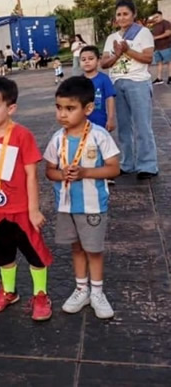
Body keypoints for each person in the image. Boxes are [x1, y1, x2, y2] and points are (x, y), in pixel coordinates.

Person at [0, 77, 53, 321]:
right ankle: (9, 291)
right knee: (3, 254)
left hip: (21, 210)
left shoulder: (22, 136)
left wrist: (34, 210)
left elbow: (31, 175)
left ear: (11, 108)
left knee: (35, 254)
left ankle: (41, 294)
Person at [44, 76, 120, 319]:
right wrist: (61, 174)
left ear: (87, 109)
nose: (62, 114)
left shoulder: (99, 136)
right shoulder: (57, 138)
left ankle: (97, 292)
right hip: (67, 206)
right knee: (76, 248)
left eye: (70, 108)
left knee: (93, 249)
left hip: (93, 205)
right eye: (59, 107)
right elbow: (49, 171)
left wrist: (86, 172)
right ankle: (81, 289)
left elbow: (114, 168)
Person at [101, 0, 157, 180]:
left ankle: (147, 165)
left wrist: (127, 51)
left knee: (142, 125)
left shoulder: (143, 33)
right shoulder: (112, 38)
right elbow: (104, 63)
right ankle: (127, 163)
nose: (122, 18)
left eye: (126, 14)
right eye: (118, 14)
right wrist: (117, 54)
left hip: (138, 82)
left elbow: (148, 58)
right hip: (117, 83)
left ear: (134, 15)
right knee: (124, 127)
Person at [80, 46, 116, 132]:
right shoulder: (78, 81)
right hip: (81, 122)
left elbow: (110, 99)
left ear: (98, 61)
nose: (87, 61)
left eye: (91, 59)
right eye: (83, 59)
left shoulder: (104, 79)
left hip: (100, 121)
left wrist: (110, 118)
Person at [148, 11, 171, 85]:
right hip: (157, 47)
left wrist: (156, 37)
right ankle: (159, 78)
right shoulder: (155, 24)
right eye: (154, 17)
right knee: (159, 62)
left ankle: (170, 77)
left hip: (165, 46)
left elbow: (168, 33)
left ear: (161, 16)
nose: (156, 19)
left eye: (157, 17)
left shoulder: (166, 23)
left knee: (169, 62)